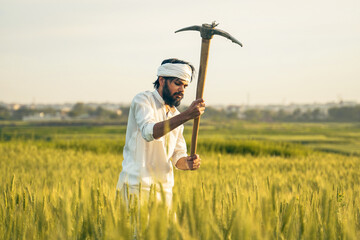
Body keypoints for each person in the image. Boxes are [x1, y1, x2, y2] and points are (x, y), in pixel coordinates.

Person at [116, 58, 205, 207]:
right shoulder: (143, 100)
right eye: (177, 83)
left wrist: (189, 163)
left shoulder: (176, 115)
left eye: (185, 86)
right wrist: (187, 115)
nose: (182, 90)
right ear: (162, 80)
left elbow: (178, 158)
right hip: (135, 188)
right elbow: (149, 132)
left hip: (164, 193)